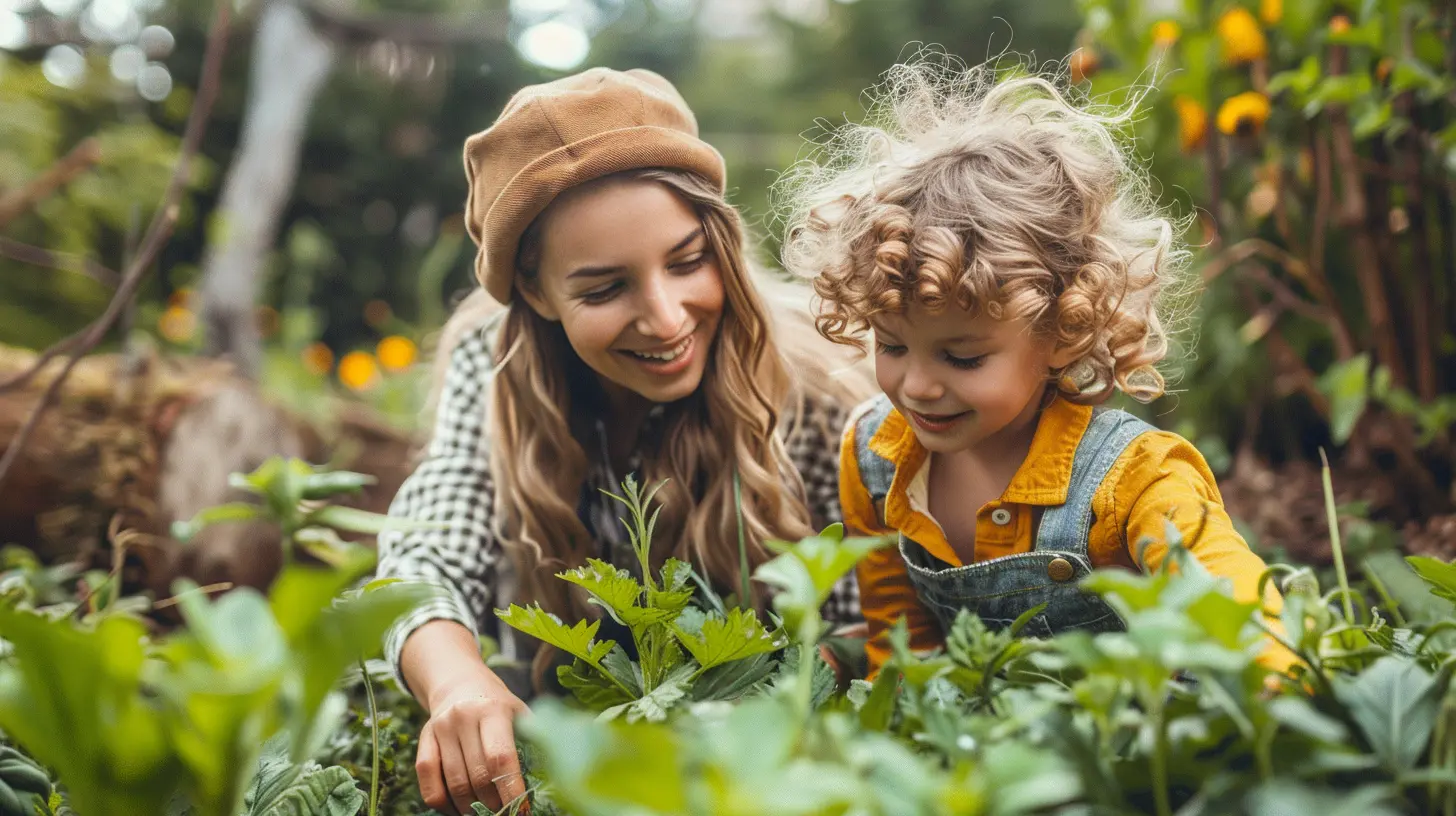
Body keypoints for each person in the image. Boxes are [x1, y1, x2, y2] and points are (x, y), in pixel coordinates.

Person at [376, 67, 873, 815]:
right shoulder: (498, 364)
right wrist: (455, 682)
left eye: (687, 261)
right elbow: (424, 554)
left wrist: (750, 706)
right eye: (604, 289)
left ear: (721, 238)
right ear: (537, 296)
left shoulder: (815, 378)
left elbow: (871, 617)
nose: (667, 318)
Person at [776, 59, 1296, 680]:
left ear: (1062, 329)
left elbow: (1232, 601)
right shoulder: (875, 456)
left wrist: (1276, 693)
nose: (915, 386)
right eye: (891, 346)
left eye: (962, 357)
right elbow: (903, 637)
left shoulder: (1132, 478)